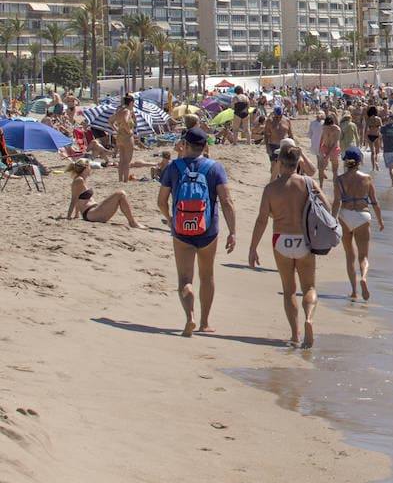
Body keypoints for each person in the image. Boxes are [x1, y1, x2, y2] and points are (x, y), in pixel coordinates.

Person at [157, 128, 236, 337]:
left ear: (185, 145)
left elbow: (161, 200)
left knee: (185, 278)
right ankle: (204, 322)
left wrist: (171, 219)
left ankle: (189, 315)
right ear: (205, 146)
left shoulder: (174, 167)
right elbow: (227, 202)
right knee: (207, 274)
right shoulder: (215, 168)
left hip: (181, 230)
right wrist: (233, 231)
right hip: (208, 229)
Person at [248, 144, 319, 348]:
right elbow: (326, 209)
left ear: (279, 164)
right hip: (304, 240)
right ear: (298, 163)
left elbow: (262, 220)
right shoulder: (308, 183)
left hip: (281, 240)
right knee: (310, 287)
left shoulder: (270, 189)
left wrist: (253, 248)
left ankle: (295, 335)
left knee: (289, 290)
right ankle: (309, 319)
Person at [332, 147, 383, 301]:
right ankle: (364, 278)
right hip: (362, 215)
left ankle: (354, 291)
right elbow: (374, 202)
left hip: (345, 216)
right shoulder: (367, 178)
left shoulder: (339, 179)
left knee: (349, 256)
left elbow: (336, 202)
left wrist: (332, 220)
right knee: (363, 256)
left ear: (345, 161)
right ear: (360, 161)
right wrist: (380, 220)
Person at [66, 160, 144, 226]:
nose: (91, 169)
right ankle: (132, 222)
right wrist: (68, 217)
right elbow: (74, 199)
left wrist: (76, 215)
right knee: (120, 194)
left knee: (120, 195)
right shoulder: (79, 180)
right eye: (90, 167)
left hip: (94, 211)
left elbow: (79, 197)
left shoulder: (81, 179)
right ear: (86, 168)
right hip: (91, 214)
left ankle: (132, 222)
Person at [112, 94, 136, 183]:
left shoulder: (119, 111)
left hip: (119, 136)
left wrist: (117, 129)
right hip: (127, 137)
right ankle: (125, 180)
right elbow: (125, 121)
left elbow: (110, 121)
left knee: (121, 160)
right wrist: (129, 131)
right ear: (131, 102)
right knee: (127, 160)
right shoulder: (127, 111)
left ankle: (120, 179)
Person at [317, 113, 341, 184]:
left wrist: (324, 153)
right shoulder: (336, 129)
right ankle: (333, 187)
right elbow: (333, 143)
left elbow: (322, 139)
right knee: (333, 170)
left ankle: (322, 186)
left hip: (328, 148)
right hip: (331, 149)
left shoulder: (325, 127)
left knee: (323, 169)